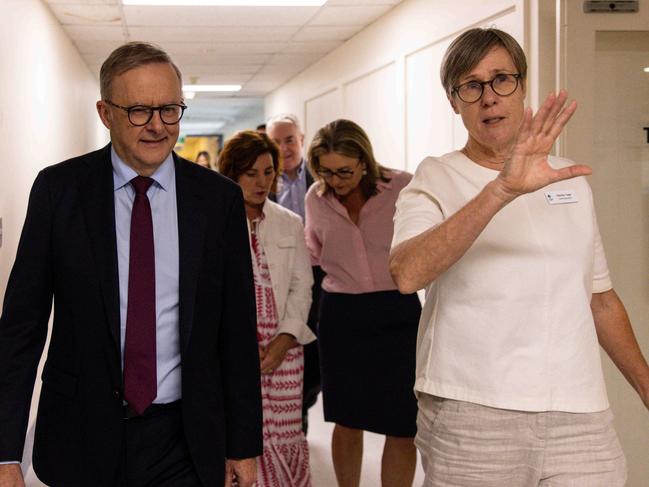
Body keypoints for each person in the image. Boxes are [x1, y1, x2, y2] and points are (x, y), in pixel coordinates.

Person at [389, 27, 649, 487]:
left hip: (579, 413)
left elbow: (600, 299)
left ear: (522, 85)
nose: (489, 97)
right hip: (473, 413)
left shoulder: (569, 181)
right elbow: (408, 273)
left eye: (501, 79)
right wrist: (502, 189)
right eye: (471, 86)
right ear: (454, 102)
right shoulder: (436, 177)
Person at [0, 42, 262, 487]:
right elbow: (21, 329)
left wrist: (243, 443)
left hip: (184, 436)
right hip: (81, 431)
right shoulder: (59, 191)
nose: (158, 126)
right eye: (139, 110)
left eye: (170, 110)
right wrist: (5, 453)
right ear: (105, 113)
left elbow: (236, 330)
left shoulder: (217, 200)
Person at [305, 119, 420, 487]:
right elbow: (315, 253)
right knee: (347, 417)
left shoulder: (401, 186)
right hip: (343, 316)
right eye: (326, 172)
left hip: (397, 312)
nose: (336, 181)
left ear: (364, 162)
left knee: (402, 422)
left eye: (344, 171)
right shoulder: (316, 199)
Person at [219, 130, 314, 487]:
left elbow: (302, 286)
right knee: (243, 436)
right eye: (251, 173)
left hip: (284, 351)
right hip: (234, 352)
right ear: (232, 173)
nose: (262, 182)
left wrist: (284, 339)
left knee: (285, 436)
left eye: (268, 171)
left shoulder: (289, 222)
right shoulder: (217, 223)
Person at [267, 113, 321, 434]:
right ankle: (292, 415)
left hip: (320, 277)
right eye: (276, 141)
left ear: (301, 139)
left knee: (312, 349)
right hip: (281, 279)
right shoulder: (262, 179)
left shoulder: (321, 176)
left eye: (289, 139)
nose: (284, 148)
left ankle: (305, 403)